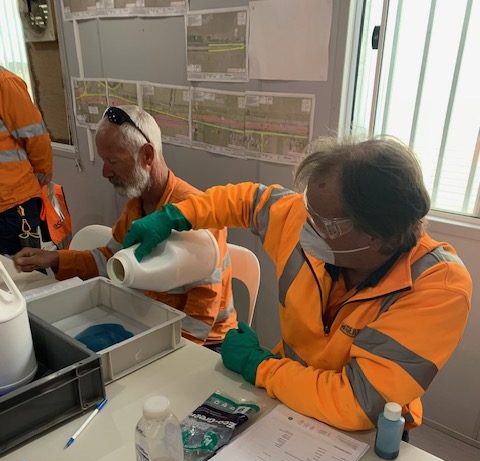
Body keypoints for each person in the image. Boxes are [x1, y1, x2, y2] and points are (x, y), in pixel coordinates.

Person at [120, 136, 472, 432]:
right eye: (308, 210)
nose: (306, 227)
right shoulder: (307, 219)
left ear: (379, 236)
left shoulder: (438, 286)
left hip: (362, 436)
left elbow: (358, 402)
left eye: (325, 224)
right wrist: (176, 215)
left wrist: (259, 366)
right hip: (286, 399)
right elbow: (246, 200)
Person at [14, 105, 237, 347]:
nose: (105, 172)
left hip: (205, 343)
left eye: (112, 161)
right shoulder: (136, 203)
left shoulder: (198, 213)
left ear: (147, 156)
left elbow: (201, 312)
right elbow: (109, 260)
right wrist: (54, 259)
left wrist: (170, 349)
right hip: (152, 322)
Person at [0, 66, 52, 255]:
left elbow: (36, 138)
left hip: (13, 203)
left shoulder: (5, 83)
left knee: (26, 268)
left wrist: (41, 179)